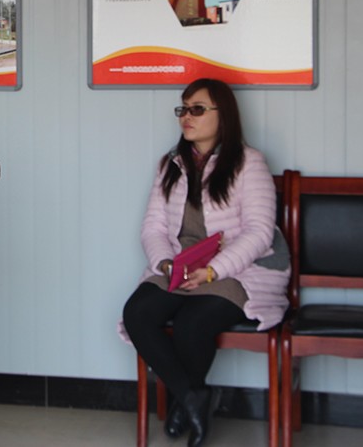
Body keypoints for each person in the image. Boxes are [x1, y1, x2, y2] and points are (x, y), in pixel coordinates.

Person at [119, 78, 289, 447]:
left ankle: (184, 402)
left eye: (197, 109)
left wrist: (214, 270)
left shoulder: (249, 162)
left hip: (240, 269)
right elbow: (153, 227)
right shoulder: (170, 164)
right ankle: (193, 395)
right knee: (137, 313)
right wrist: (165, 264)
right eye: (183, 109)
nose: (186, 116)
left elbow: (260, 232)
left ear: (222, 115)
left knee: (191, 323)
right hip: (179, 264)